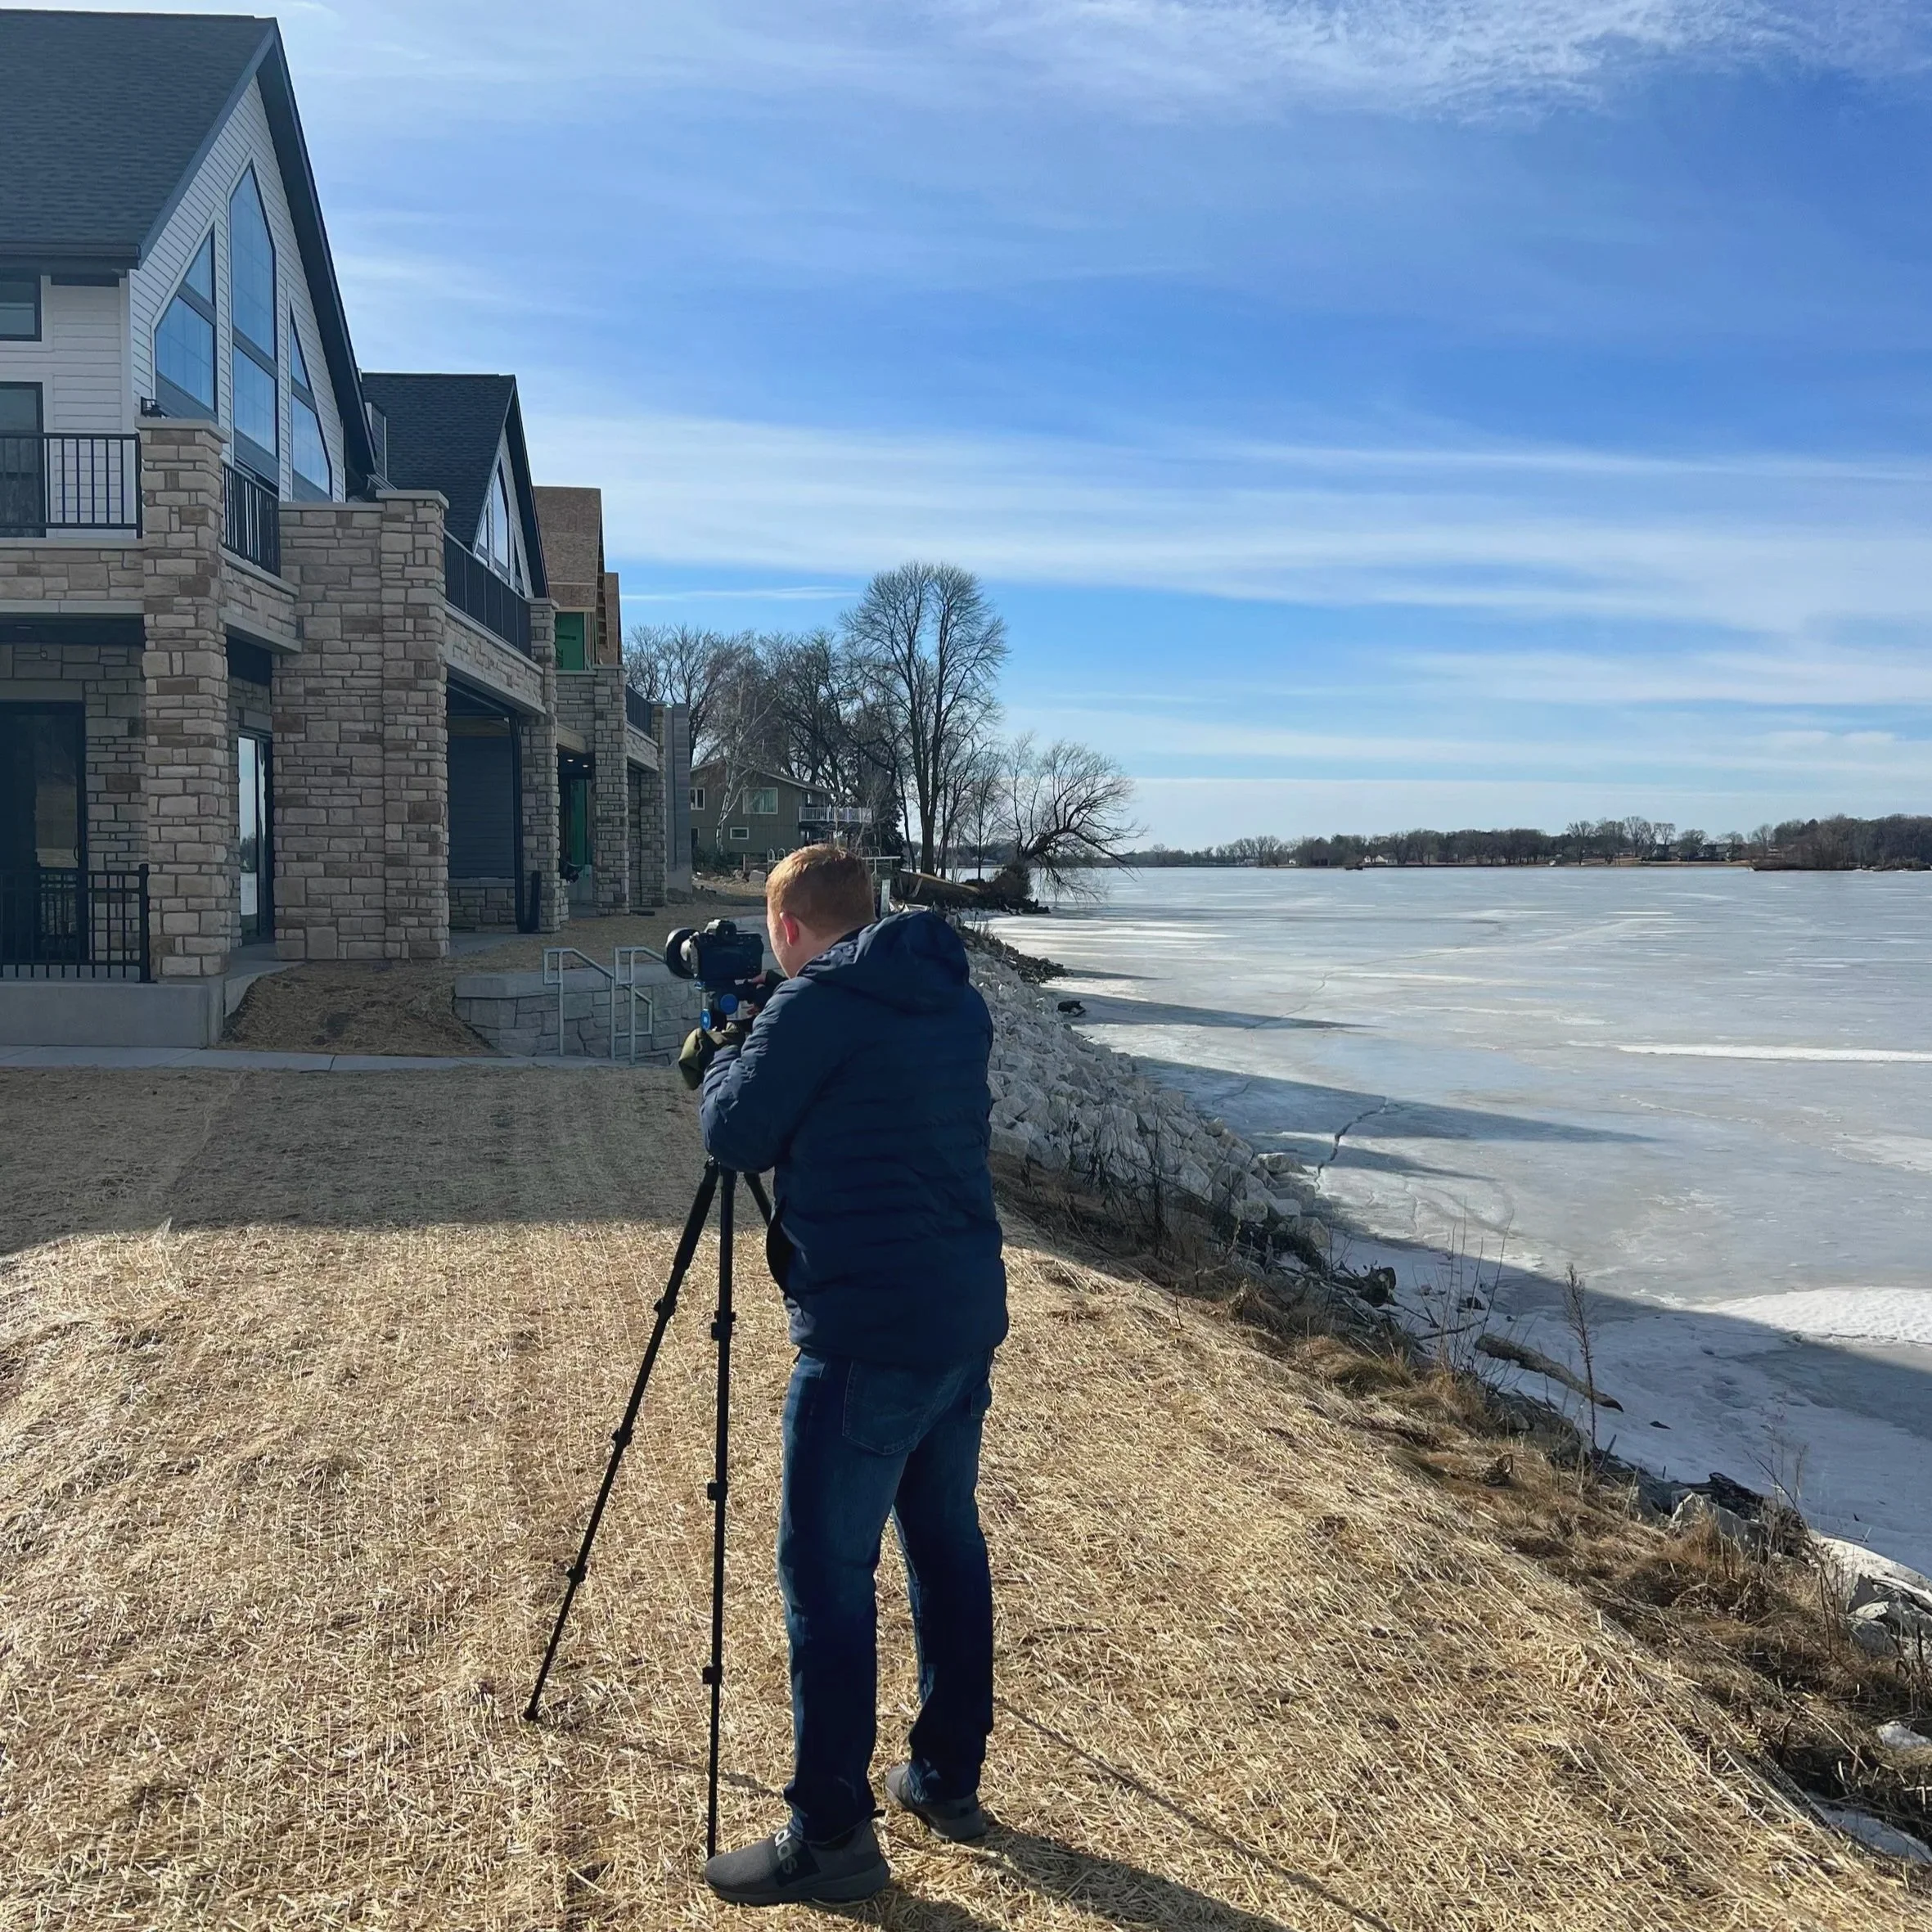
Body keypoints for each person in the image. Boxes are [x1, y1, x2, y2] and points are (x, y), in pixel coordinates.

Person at [688, 844, 1008, 1907]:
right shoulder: (947, 997)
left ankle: (830, 1834)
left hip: (867, 1332)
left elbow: (736, 1131)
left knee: (825, 1576)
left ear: (786, 927)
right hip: (959, 1315)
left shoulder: (814, 1007)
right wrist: (762, 1027)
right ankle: (946, 1778)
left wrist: (726, 1044)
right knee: (945, 1543)